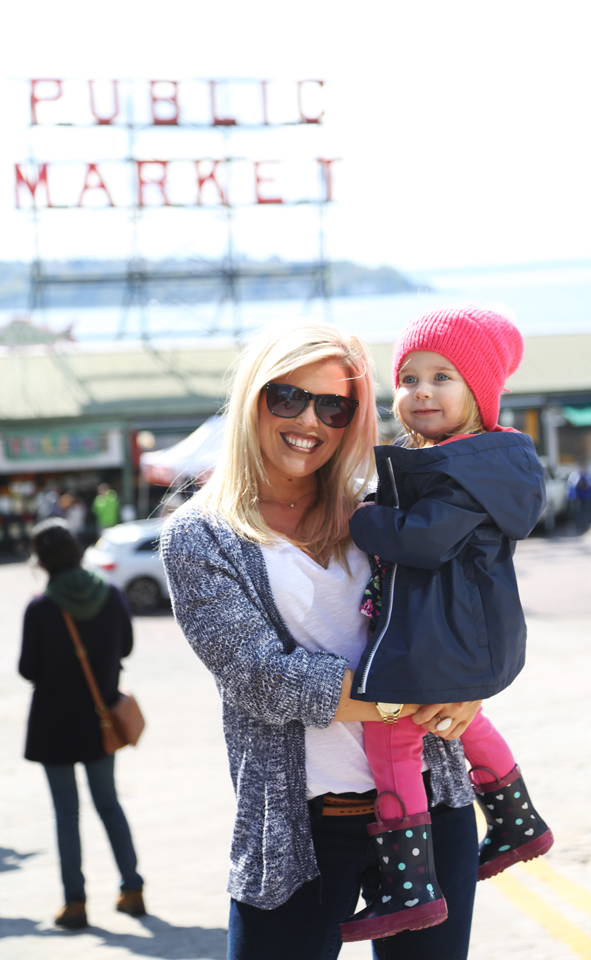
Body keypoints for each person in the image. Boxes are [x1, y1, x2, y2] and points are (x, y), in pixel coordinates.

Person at [161, 320, 481, 960]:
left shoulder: (381, 508)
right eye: (288, 397)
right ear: (254, 397)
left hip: (429, 801)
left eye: (334, 406)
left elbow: (462, 609)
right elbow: (263, 678)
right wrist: (410, 699)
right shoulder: (200, 536)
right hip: (300, 829)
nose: (310, 419)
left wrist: (470, 689)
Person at [343, 306, 553, 941]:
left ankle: (409, 886)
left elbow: (424, 541)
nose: (421, 392)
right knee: (462, 721)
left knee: (392, 736)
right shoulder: (476, 462)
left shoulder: (462, 468)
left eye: (443, 377)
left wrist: (362, 518)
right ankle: (516, 820)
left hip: (440, 634)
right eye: (408, 378)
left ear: (479, 395)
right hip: (455, 631)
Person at [18, 518, 144, 929]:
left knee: (65, 812)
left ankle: (75, 903)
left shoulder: (41, 607)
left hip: (53, 724)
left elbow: (27, 668)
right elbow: (125, 646)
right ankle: (132, 888)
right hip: (99, 717)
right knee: (109, 803)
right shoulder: (108, 594)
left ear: (42, 560)